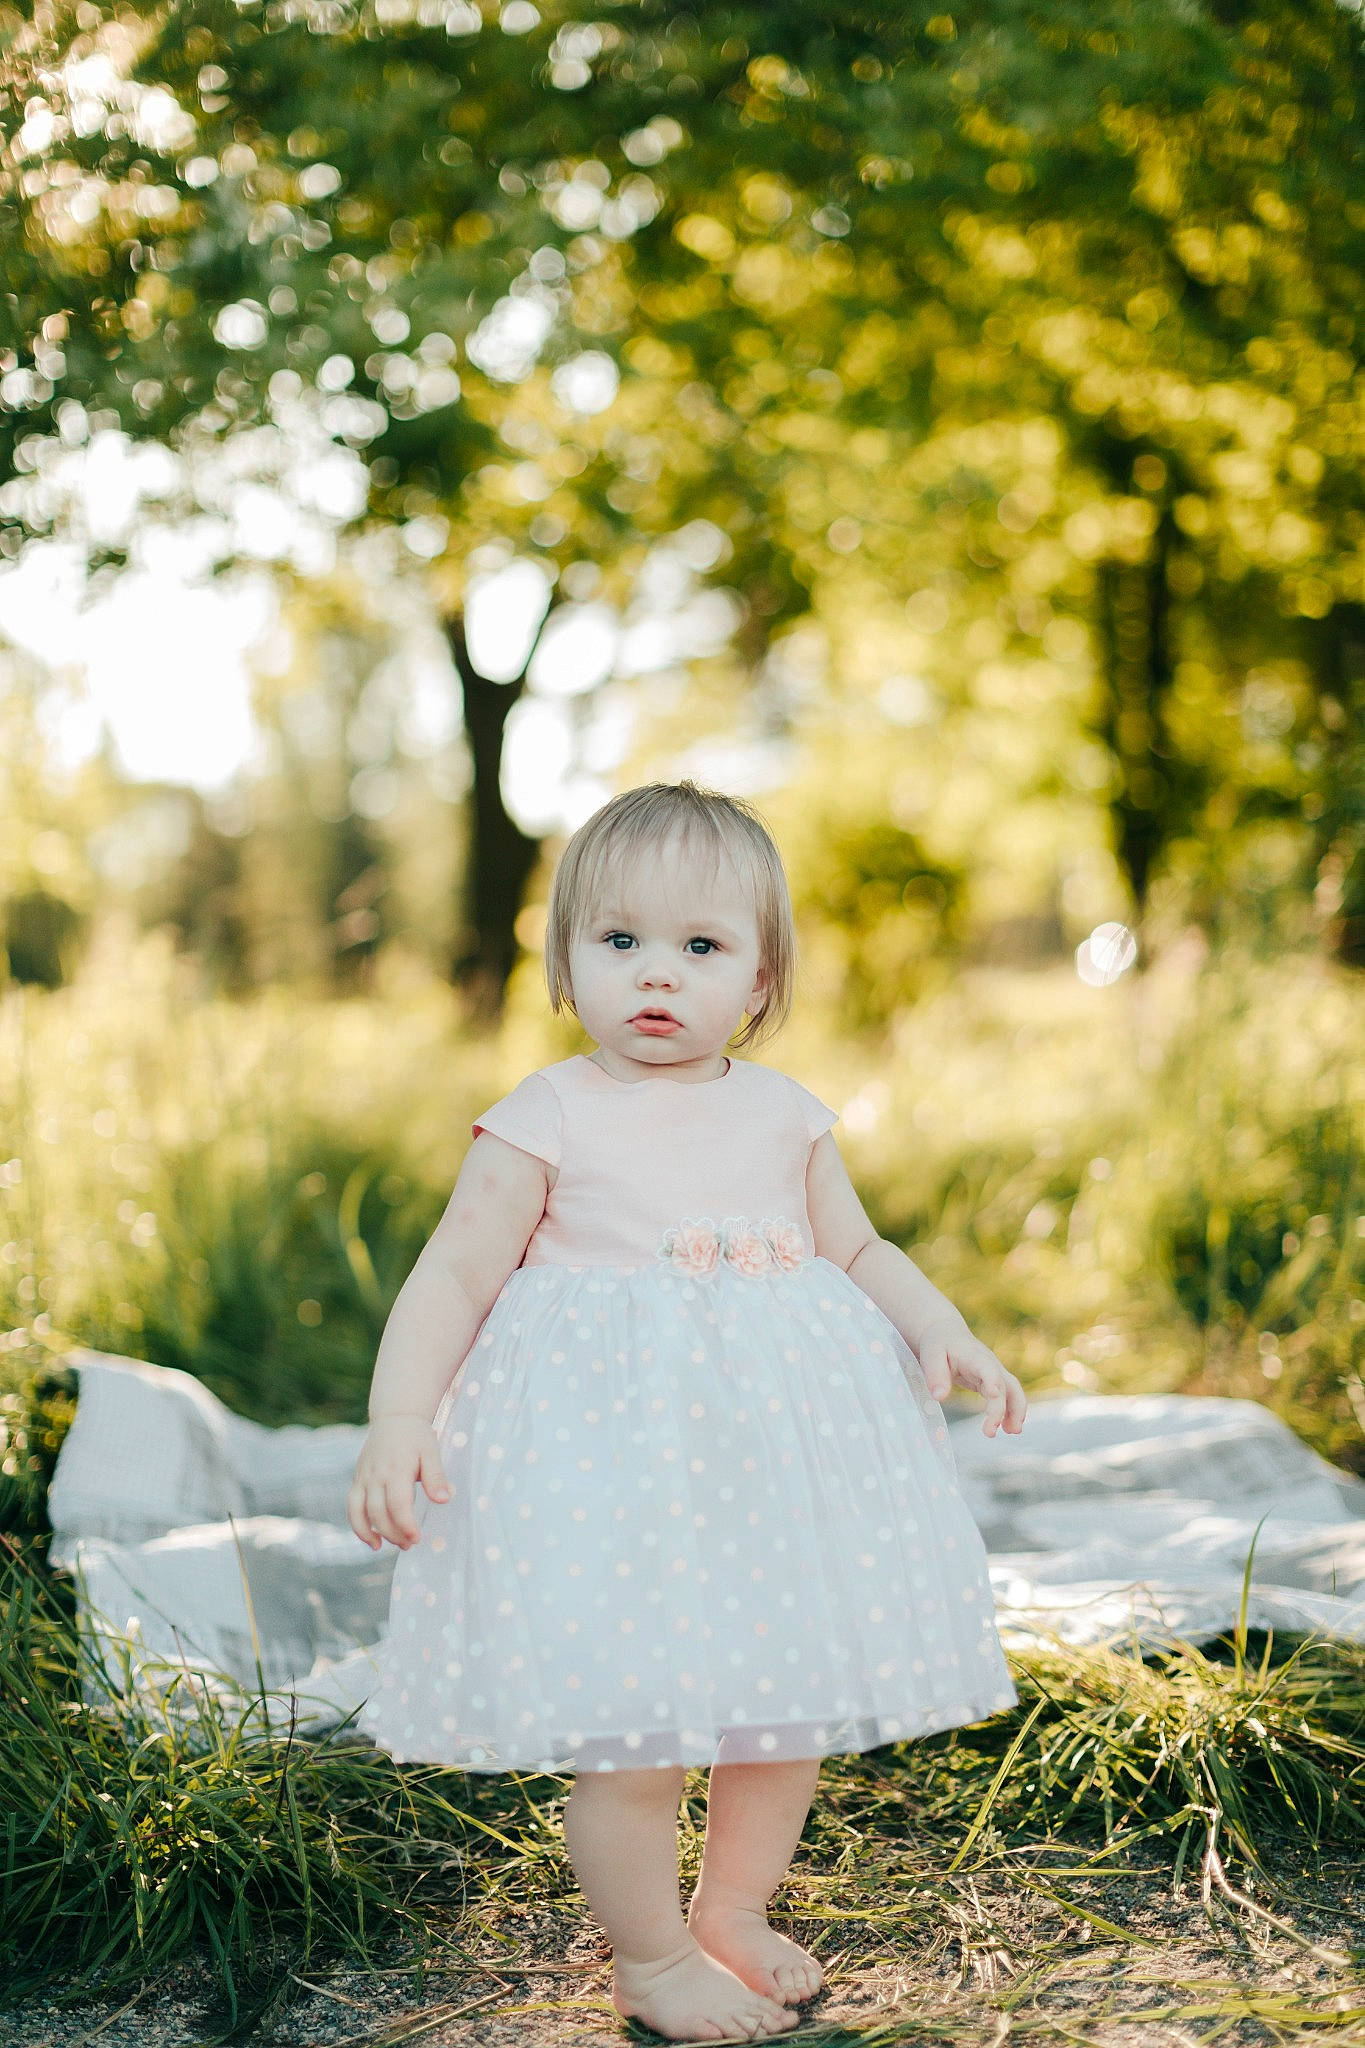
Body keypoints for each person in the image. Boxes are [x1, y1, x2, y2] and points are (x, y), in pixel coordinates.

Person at [348, 779, 1027, 2044]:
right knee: (638, 1731)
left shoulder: (787, 1113)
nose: (656, 976)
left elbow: (862, 1248)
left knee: (782, 1707)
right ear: (566, 959)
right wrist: (402, 1415)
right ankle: (652, 1957)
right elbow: (453, 1270)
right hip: (609, 1477)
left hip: (765, 1470)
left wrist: (945, 1328)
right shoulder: (546, 1114)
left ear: (761, 978)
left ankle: (733, 1908)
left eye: (700, 947)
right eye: (619, 942)